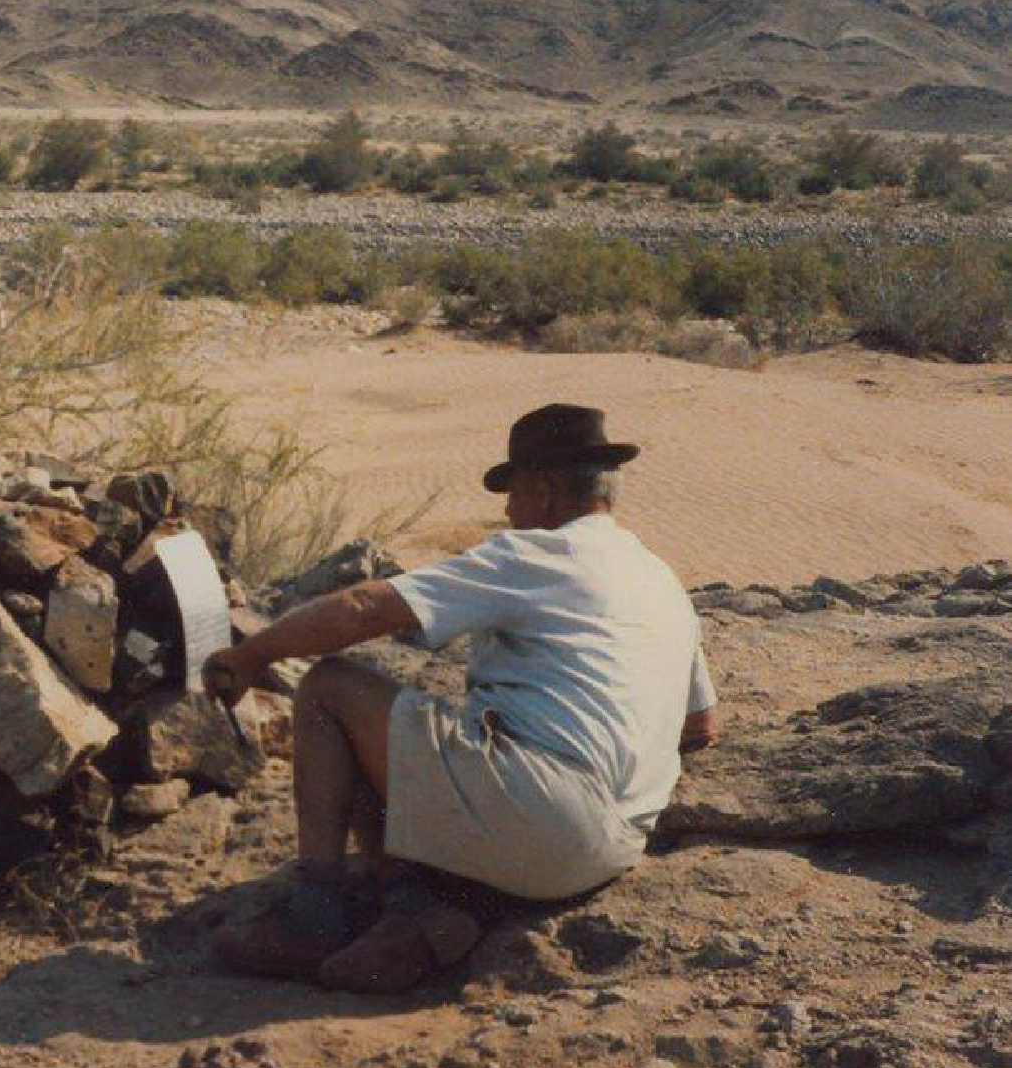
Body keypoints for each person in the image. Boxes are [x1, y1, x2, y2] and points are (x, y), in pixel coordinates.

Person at [203, 404, 718, 992]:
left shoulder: (536, 554)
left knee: (331, 691)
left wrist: (252, 655)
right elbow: (700, 726)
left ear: (545, 490)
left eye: (514, 493)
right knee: (434, 741)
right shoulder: (662, 579)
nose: (508, 511)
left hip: (545, 819)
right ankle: (418, 914)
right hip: (612, 851)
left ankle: (312, 919)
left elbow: (364, 608)